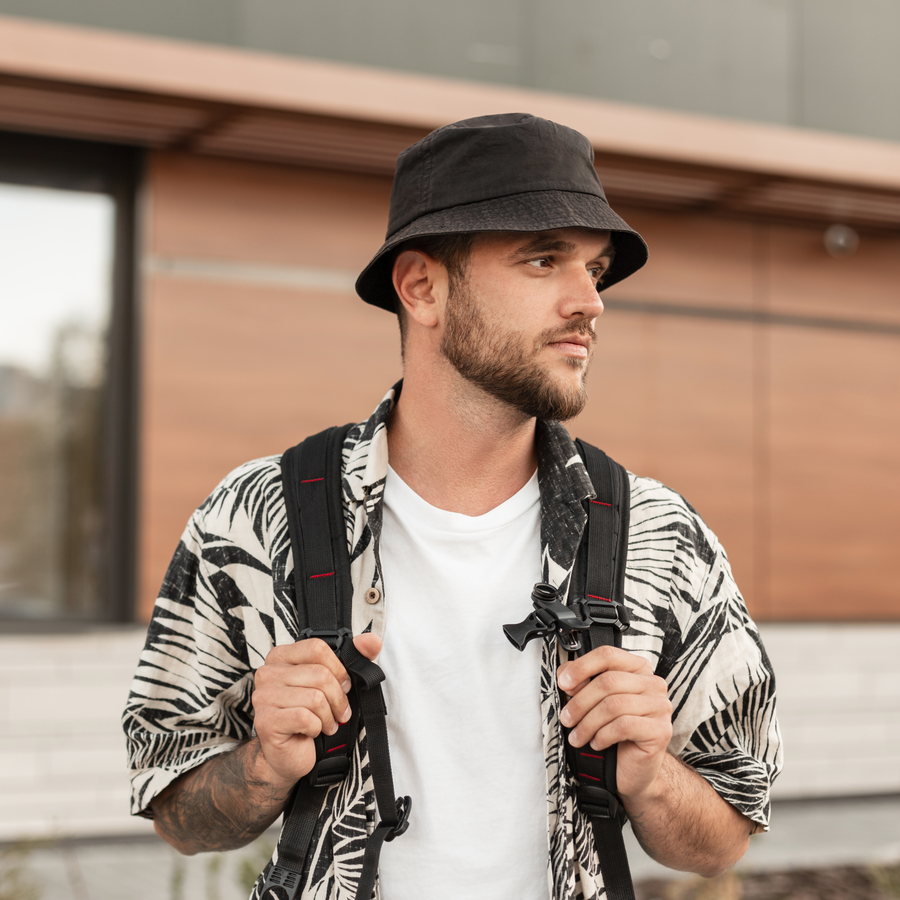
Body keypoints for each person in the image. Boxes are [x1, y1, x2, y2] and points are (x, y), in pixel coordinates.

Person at [124, 112, 782, 900]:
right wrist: (264, 764)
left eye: (595, 270)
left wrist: (650, 773)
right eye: (544, 261)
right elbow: (176, 813)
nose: (589, 302)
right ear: (422, 287)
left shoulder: (660, 537)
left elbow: (723, 840)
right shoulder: (257, 518)